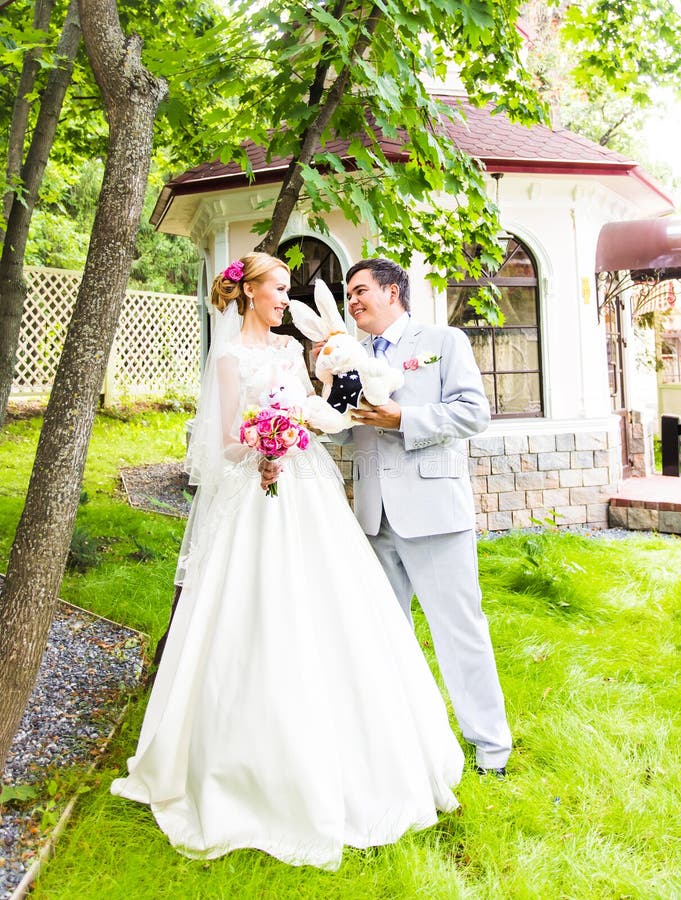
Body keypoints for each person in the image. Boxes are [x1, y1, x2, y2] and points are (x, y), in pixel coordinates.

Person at [111, 252, 463, 870]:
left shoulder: (284, 353)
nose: (285, 298)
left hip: (305, 486)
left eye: (285, 289)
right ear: (248, 294)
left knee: (335, 608)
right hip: (253, 494)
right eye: (277, 289)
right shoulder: (228, 357)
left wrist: (336, 390)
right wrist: (261, 443)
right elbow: (220, 440)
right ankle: (240, 766)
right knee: (251, 613)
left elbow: (315, 416)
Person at [329, 258, 512, 776]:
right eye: (349, 292)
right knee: (385, 636)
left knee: (459, 631)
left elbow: (474, 412)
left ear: (393, 292)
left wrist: (404, 417)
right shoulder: (350, 357)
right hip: (372, 517)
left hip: (433, 513)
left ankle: (490, 750)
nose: (352, 300)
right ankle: (405, 748)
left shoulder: (441, 341)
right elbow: (342, 430)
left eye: (361, 289)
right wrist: (318, 398)